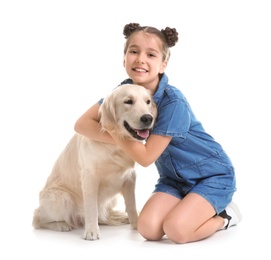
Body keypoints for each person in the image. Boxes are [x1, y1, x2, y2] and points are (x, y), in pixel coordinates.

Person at [74, 23, 242, 244]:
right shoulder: (123, 91)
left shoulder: (174, 103)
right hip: (174, 180)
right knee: (149, 229)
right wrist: (118, 132)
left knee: (177, 231)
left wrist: (116, 130)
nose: (140, 59)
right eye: (133, 51)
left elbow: (145, 157)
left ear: (163, 64)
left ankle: (226, 216)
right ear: (124, 58)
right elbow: (82, 124)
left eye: (150, 54)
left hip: (211, 176)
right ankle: (189, 204)